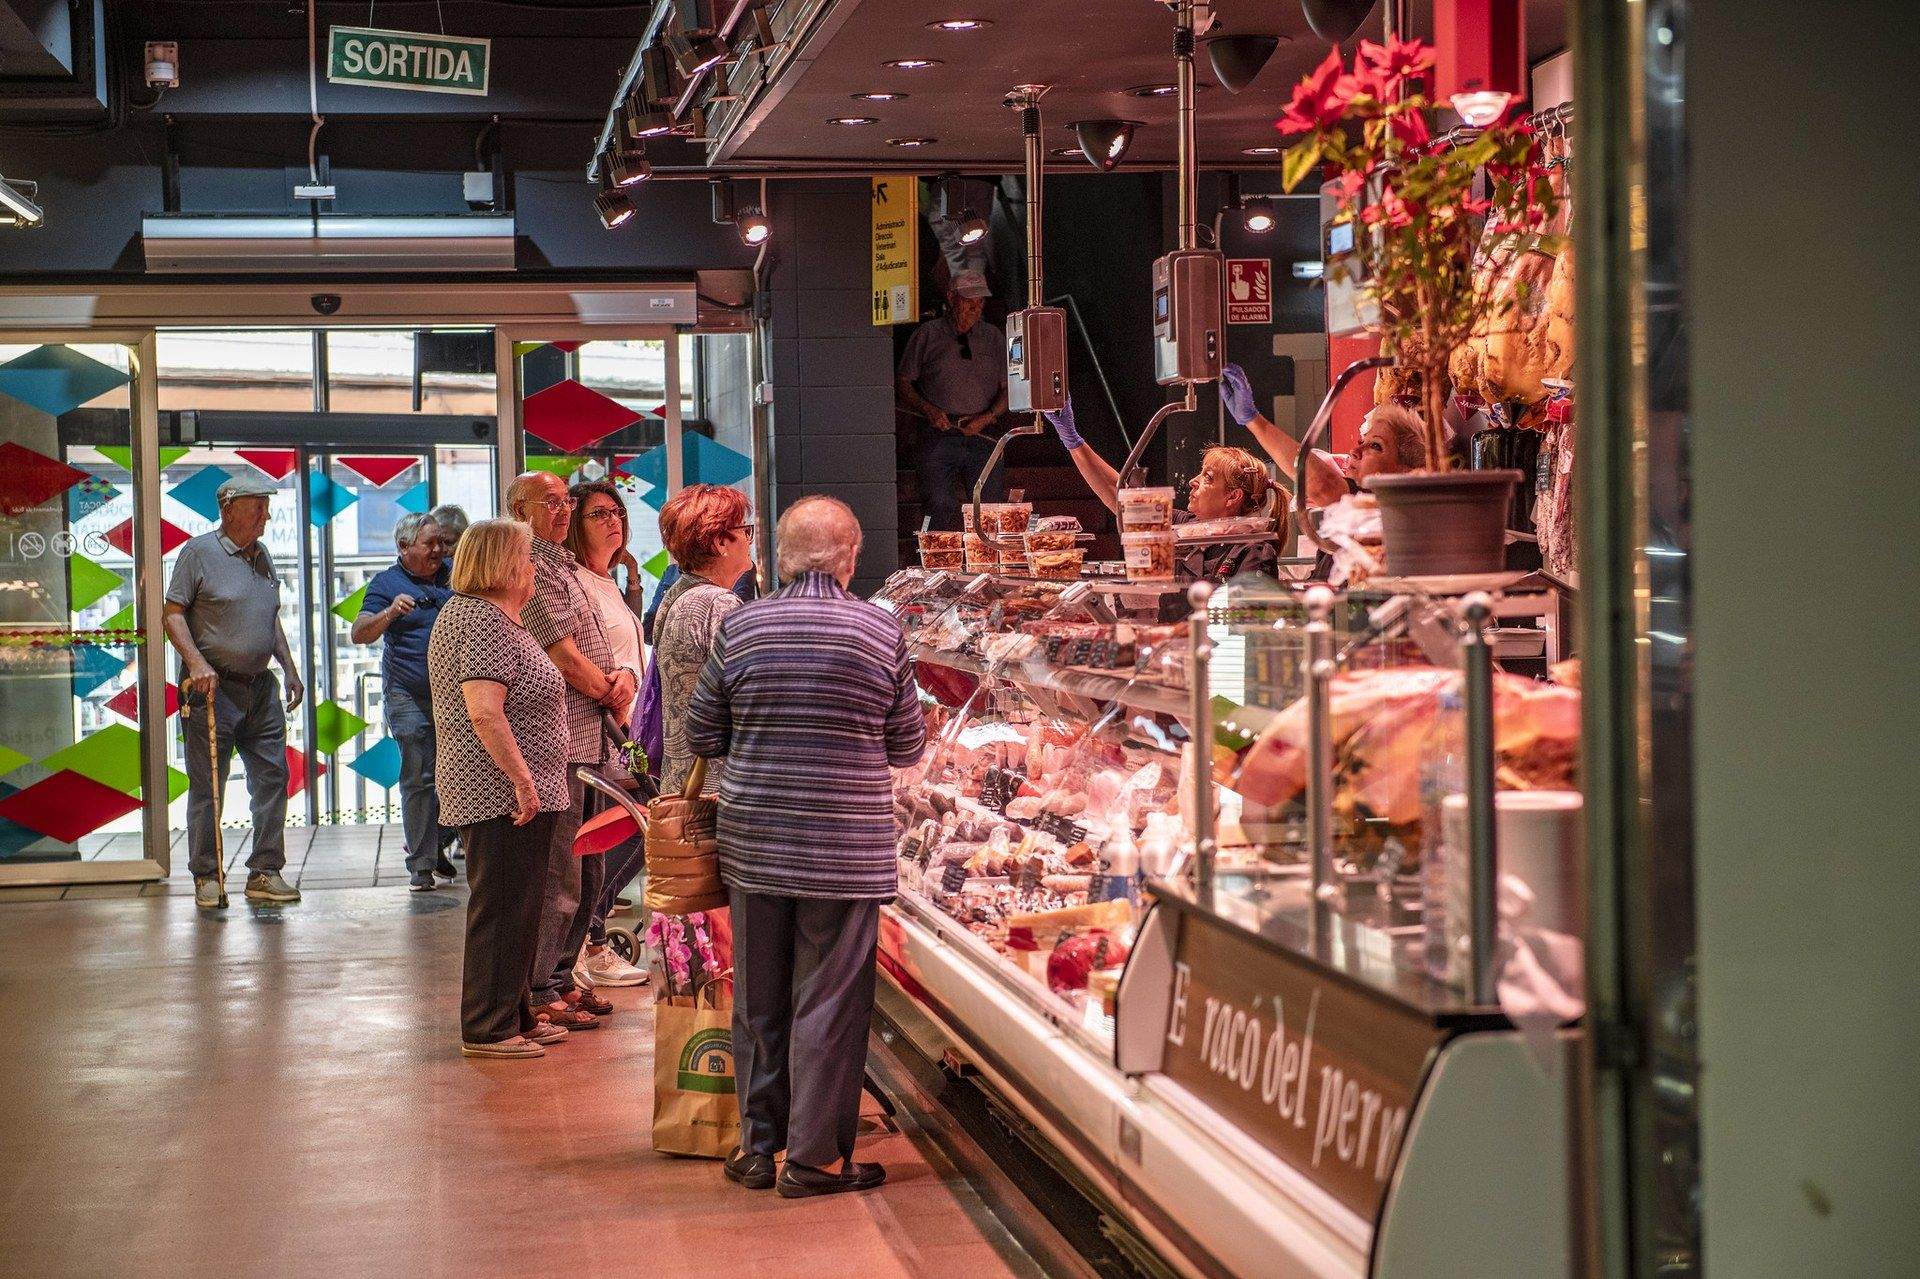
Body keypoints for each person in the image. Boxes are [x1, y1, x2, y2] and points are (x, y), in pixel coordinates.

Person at [686, 496, 926, 1198]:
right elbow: (907, 744)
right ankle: (815, 1159)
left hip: (756, 842)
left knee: (758, 997)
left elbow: (703, 732)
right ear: (850, 557)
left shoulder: (742, 626)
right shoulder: (881, 631)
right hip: (844, 848)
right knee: (829, 1002)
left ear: (781, 557)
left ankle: (758, 1148)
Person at [428, 518, 572, 1060]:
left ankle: (515, 1014)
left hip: (517, 791)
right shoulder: (479, 619)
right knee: (502, 907)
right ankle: (488, 1027)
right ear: (505, 565)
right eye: (527, 558)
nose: (533, 567)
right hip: (498, 793)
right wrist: (522, 779)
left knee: (522, 907)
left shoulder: (496, 618)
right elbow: (485, 712)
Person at [507, 471, 628, 1031]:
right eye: (549, 502)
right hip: (564, 743)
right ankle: (539, 988)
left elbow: (601, 648)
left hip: (596, 737)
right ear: (519, 511)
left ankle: (561, 977)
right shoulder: (530, 566)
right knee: (562, 875)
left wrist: (622, 680)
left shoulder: (564, 564)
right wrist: (610, 689)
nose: (562, 511)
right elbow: (562, 655)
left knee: (591, 871)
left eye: (565, 502)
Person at [164, 473, 304, 909]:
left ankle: (265, 870)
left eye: (267, 507)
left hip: (260, 688)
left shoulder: (261, 555)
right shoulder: (198, 553)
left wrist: (289, 667)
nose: (266, 516)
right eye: (257, 507)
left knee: (273, 777)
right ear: (227, 509)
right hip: (213, 690)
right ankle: (207, 874)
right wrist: (196, 663)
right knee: (209, 784)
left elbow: (269, 617)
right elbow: (172, 614)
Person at [1041, 397, 1286, 582]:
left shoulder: (1254, 551)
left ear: (1233, 497)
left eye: (1208, 477)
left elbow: (1247, 622)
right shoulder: (1183, 525)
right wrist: (1073, 441)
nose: (1193, 481)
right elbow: (1117, 495)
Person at [563, 480, 651, 988]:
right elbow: (574, 655)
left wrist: (631, 679)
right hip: (597, 726)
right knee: (626, 827)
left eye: (617, 511)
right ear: (574, 524)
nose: (613, 520)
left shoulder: (607, 582)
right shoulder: (573, 581)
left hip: (625, 725)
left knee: (625, 828)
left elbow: (627, 654)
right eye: (598, 514)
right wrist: (614, 685)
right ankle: (585, 940)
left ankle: (591, 939)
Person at [350, 512, 456, 892]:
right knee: (419, 776)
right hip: (407, 693)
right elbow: (359, 633)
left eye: (441, 542)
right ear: (403, 546)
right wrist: (391, 612)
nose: (438, 550)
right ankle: (421, 865)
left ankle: (437, 842)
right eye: (430, 543)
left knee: (457, 776)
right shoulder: (385, 583)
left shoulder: (454, 575)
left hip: (455, 694)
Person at [653, 484, 756, 797]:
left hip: (682, 778)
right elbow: (747, 693)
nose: (749, 540)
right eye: (745, 531)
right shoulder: (719, 603)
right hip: (718, 785)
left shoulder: (677, 594)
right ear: (720, 541)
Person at [895, 269, 1009, 531]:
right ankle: (935, 550)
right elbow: (903, 382)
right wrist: (928, 409)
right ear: (951, 297)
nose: (975, 307)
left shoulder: (993, 337)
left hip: (983, 433)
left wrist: (988, 417)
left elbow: (1008, 389)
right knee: (938, 503)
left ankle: (986, 553)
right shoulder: (928, 334)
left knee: (988, 507)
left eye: (980, 301)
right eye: (968, 300)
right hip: (939, 432)